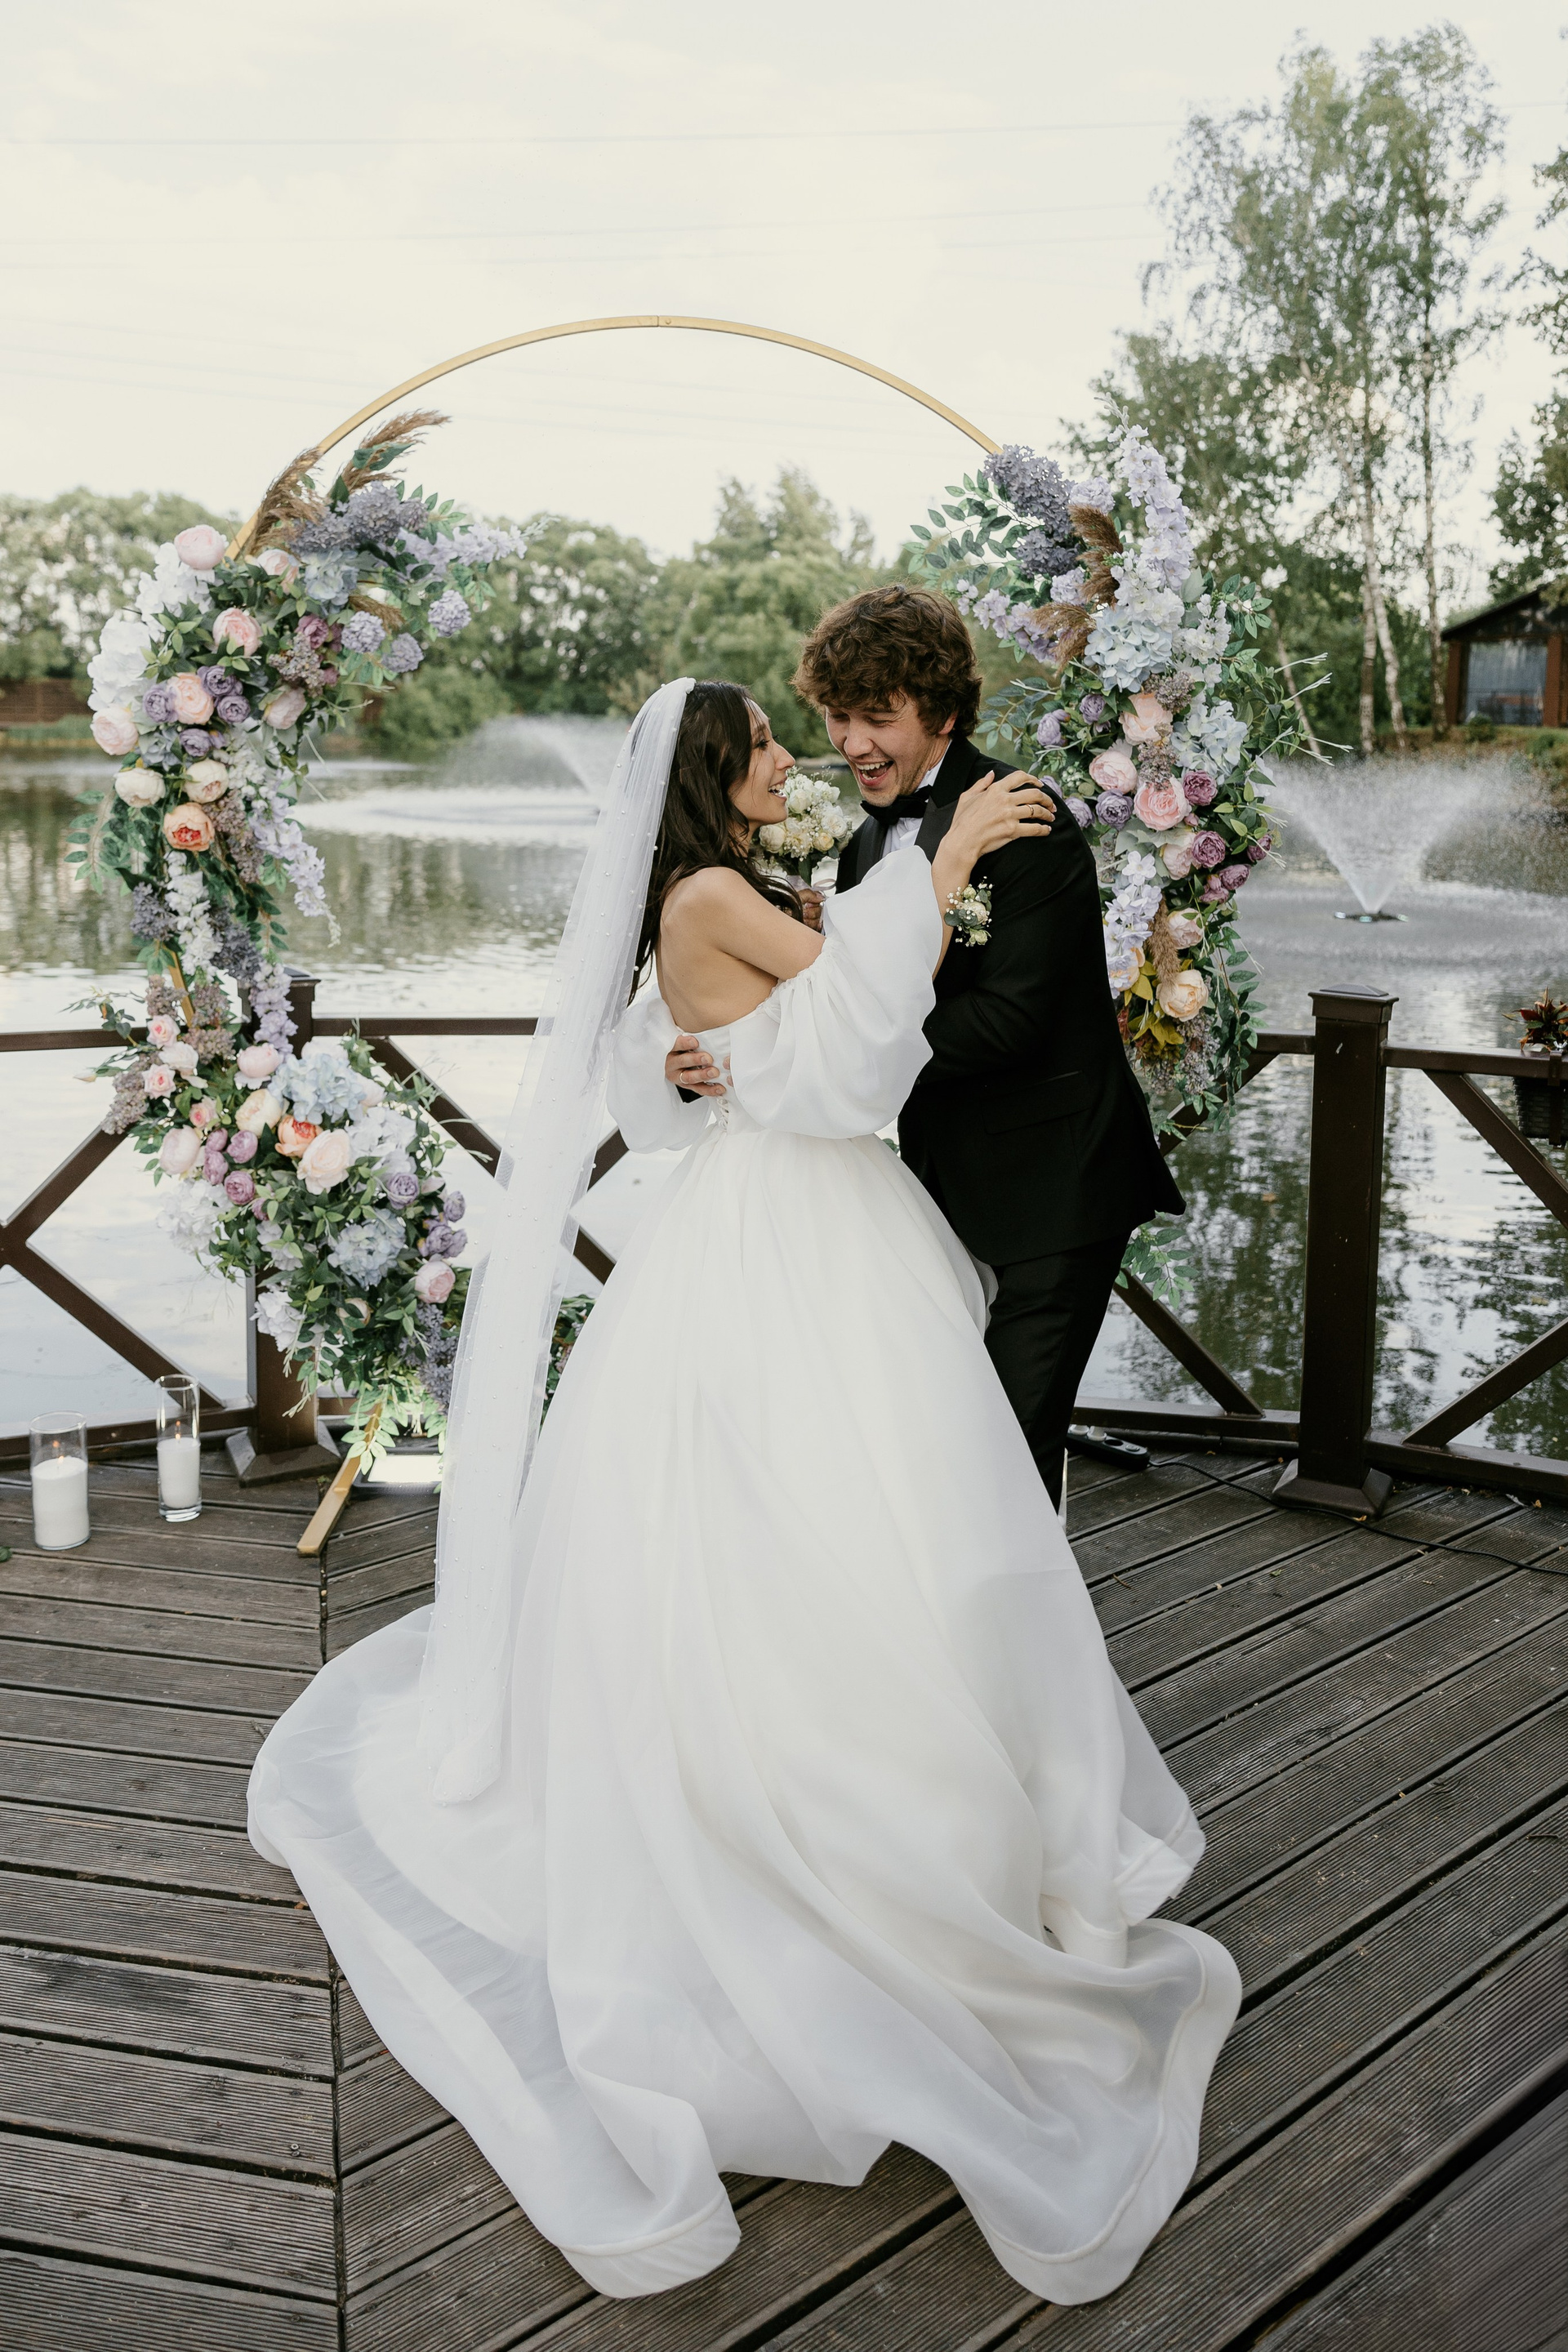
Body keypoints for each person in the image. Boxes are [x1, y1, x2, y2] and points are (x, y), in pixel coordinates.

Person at [248, 678, 1239, 2308]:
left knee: (884, 1518)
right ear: (717, 770)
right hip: (783, 1230)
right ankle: (810, 1816)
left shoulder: (736, 889)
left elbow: (724, 1043)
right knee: (802, 1514)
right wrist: (945, 864)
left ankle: (924, 1779)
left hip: (812, 1209)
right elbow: (854, 1019)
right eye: (769, 742)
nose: (792, 757)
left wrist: (735, 1033)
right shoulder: (710, 891)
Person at [668, 586, 1183, 1508]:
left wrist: (842, 1060)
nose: (851, 741)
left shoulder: (1020, 818)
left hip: (1051, 1190)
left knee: (1006, 1456)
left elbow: (1010, 1018)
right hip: (929, 1197)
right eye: (838, 715)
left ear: (943, 713)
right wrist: (728, 1054)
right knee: (928, 1446)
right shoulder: (866, 849)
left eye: (878, 717)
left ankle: (1021, 1604)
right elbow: (823, 989)